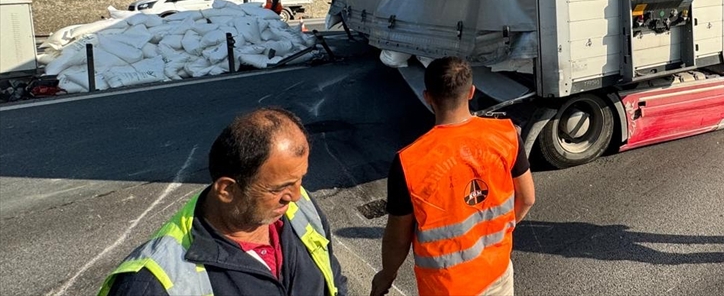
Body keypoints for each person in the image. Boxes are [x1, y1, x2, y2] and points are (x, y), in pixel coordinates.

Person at [100, 108, 345, 296]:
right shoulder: (151, 284)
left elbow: (332, 282)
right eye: (278, 188)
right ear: (227, 190)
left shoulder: (301, 210)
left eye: (300, 179)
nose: (296, 196)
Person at [372, 58, 536, 296]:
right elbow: (527, 198)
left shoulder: (410, 162)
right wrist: (497, 236)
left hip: (445, 287)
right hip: (498, 273)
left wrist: (387, 274)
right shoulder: (506, 135)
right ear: (471, 92)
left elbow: (398, 238)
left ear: (427, 96)